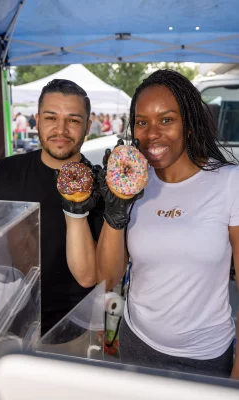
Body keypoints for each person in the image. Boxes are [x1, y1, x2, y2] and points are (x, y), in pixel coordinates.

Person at [96, 69, 239, 378]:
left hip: (206, 357)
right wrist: (114, 212)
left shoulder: (229, 182)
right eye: (142, 122)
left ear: (188, 125)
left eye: (166, 120)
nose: (151, 134)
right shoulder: (133, 183)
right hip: (136, 344)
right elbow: (108, 279)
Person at [0, 79, 104, 336]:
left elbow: (94, 275)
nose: (61, 129)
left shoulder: (101, 187)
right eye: (51, 118)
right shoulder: (4, 173)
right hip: (6, 313)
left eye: (74, 120)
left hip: (73, 321)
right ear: (37, 119)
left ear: (88, 126)